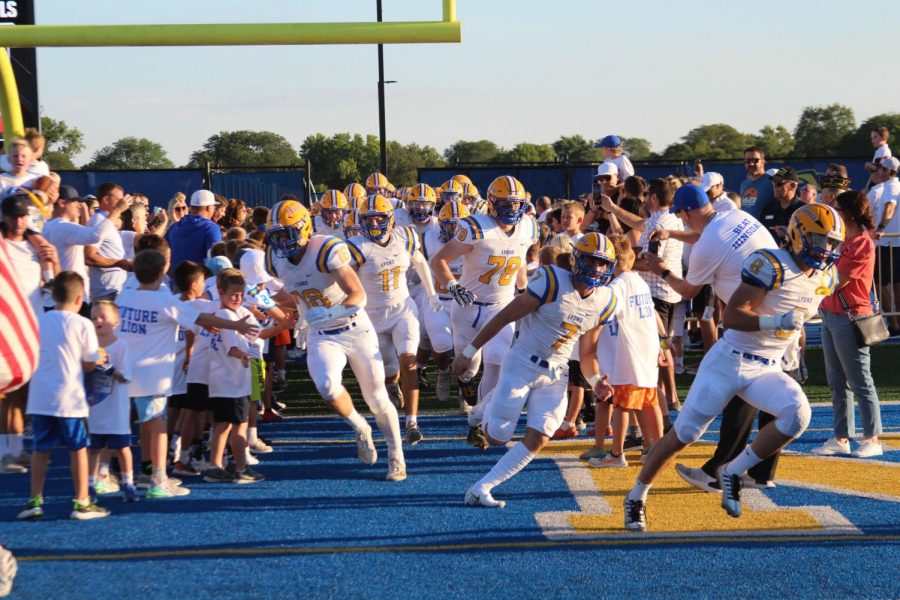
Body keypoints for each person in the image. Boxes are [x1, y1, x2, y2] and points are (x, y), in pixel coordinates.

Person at [624, 204, 844, 531]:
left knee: (798, 414)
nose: (826, 250)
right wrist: (778, 320)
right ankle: (636, 496)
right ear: (799, 235)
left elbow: (817, 293)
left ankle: (732, 471)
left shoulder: (827, 275)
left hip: (767, 367)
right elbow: (732, 318)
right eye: (819, 240)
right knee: (683, 435)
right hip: (730, 360)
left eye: (831, 243)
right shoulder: (771, 264)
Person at [455, 232, 618, 508]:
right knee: (497, 437)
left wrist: (594, 381)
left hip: (556, 372)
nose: (596, 269)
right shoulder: (552, 280)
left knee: (541, 436)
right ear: (577, 259)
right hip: (521, 363)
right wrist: (470, 350)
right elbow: (506, 315)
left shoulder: (606, 301)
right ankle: (486, 407)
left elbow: (588, 353)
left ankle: (483, 486)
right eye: (591, 261)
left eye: (602, 263)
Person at [643, 184, 779, 494]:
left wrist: (660, 269)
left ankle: (719, 472)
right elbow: (708, 236)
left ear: (686, 212)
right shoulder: (734, 215)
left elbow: (688, 290)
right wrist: (672, 235)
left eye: (681, 217)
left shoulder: (709, 242)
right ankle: (760, 471)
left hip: (752, 318)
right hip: (778, 308)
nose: (683, 222)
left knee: (739, 390)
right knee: (770, 390)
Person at [266, 199, 407, 481]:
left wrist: (330, 311)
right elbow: (290, 292)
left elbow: (358, 294)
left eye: (287, 233)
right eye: (277, 234)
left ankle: (396, 455)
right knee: (328, 387)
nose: (282, 241)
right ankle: (360, 428)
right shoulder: (273, 258)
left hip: (354, 327)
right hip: (321, 334)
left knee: (377, 397)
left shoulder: (326, 249)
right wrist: (271, 303)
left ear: (304, 228)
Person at [115, 249, 259, 498]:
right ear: (162, 274)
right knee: (157, 426)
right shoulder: (164, 302)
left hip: (128, 370)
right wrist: (236, 324)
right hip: (154, 374)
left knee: (145, 426)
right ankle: (158, 479)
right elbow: (201, 318)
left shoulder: (125, 298)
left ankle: (148, 473)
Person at [430, 176, 539, 449]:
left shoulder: (528, 227)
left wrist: (523, 288)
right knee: (467, 370)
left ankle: (478, 422)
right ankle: (467, 391)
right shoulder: (476, 227)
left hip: (502, 306)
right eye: (505, 203)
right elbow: (438, 260)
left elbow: (520, 261)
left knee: (498, 361)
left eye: (516, 204)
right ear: (492, 203)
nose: (511, 210)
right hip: (467, 307)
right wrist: (453, 287)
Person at [345, 194, 441, 444]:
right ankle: (392, 384)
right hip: (372, 317)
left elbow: (420, 262)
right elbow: (344, 283)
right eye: (369, 219)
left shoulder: (405, 235)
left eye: (379, 218)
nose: (374, 224)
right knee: (388, 373)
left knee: (409, 361)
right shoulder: (356, 246)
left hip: (402, 310)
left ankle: (412, 422)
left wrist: (432, 294)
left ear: (390, 219)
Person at [17, 272, 109, 520]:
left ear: (54, 295)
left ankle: (34, 500)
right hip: (70, 398)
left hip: (40, 397)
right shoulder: (82, 324)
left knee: (41, 449)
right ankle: (82, 501)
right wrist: (99, 357)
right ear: (80, 299)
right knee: (78, 447)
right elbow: (90, 363)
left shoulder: (39, 320)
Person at [812, 190, 883, 458]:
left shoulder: (862, 242)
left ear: (850, 213)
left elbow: (836, 279)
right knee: (836, 380)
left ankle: (872, 438)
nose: (833, 213)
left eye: (837, 209)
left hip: (851, 316)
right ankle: (841, 437)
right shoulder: (843, 239)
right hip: (831, 314)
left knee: (860, 380)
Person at [583, 235, 664, 466]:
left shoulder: (617, 286)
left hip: (630, 353)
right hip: (645, 350)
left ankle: (617, 454)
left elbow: (603, 314)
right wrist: (661, 344)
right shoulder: (639, 281)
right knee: (649, 402)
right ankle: (656, 448)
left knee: (622, 405)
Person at [202, 268, 266, 484]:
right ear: (221, 292)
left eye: (241, 294)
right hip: (232, 381)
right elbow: (232, 349)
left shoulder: (229, 314)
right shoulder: (227, 316)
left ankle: (214, 466)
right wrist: (246, 355)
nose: (238, 298)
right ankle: (240, 467)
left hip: (223, 380)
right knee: (239, 425)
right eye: (233, 294)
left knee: (222, 425)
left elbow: (252, 332)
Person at [85, 301, 138, 502]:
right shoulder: (89, 346)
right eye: (94, 317)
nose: (98, 321)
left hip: (116, 409)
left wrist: (108, 368)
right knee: (94, 448)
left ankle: (128, 483)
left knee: (122, 447)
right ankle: (90, 484)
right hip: (95, 409)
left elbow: (125, 376)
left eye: (103, 317)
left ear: (116, 322)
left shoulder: (121, 346)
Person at [420, 201, 468, 408]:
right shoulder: (428, 238)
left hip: (464, 300)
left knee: (465, 348)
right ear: (440, 223)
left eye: (458, 225)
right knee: (441, 344)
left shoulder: (476, 240)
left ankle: (464, 387)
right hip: (437, 298)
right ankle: (443, 370)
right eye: (449, 224)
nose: (454, 230)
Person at [84, 182, 132, 302]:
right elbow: (89, 256)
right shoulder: (98, 222)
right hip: (106, 293)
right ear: (106, 200)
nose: (123, 203)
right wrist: (119, 263)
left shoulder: (107, 221)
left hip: (114, 291)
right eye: (119, 200)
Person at [164, 189, 223, 273]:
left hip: (175, 283)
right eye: (214, 206)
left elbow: (163, 255)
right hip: (200, 283)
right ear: (209, 208)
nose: (214, 209)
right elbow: (217, 261)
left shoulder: (173, 227)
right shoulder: (210, 228)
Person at [759, 167, 804, 246]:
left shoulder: (804, 210)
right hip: (771, 256)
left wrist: (789, 234)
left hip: (795, 257)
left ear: (792, 186)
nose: (774, 187)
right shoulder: (768, 208)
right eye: (773, 183)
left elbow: (812, 241)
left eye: (779, 183)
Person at [739, 146, 775, 219]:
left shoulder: (773, 182)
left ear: (763, 162)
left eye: (755, 160)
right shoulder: (744, 184)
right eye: (748, 161)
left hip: (766, 228)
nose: (751, 164)